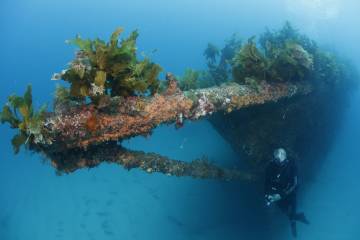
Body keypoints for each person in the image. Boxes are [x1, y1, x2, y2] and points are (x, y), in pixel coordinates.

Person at [264, 148, 309, 238]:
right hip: (277, 193)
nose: (279, 164)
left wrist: (281, 195)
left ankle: (294, 225)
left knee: (292, 211)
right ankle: (298, 217)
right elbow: (266, 182)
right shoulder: (270, 166)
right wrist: (267, 194)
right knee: (285, 211)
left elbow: (295, 184)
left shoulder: (292, 165)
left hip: (290, 193)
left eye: (281, 161)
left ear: (285, 158)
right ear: (274, 159)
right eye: (277, 161)